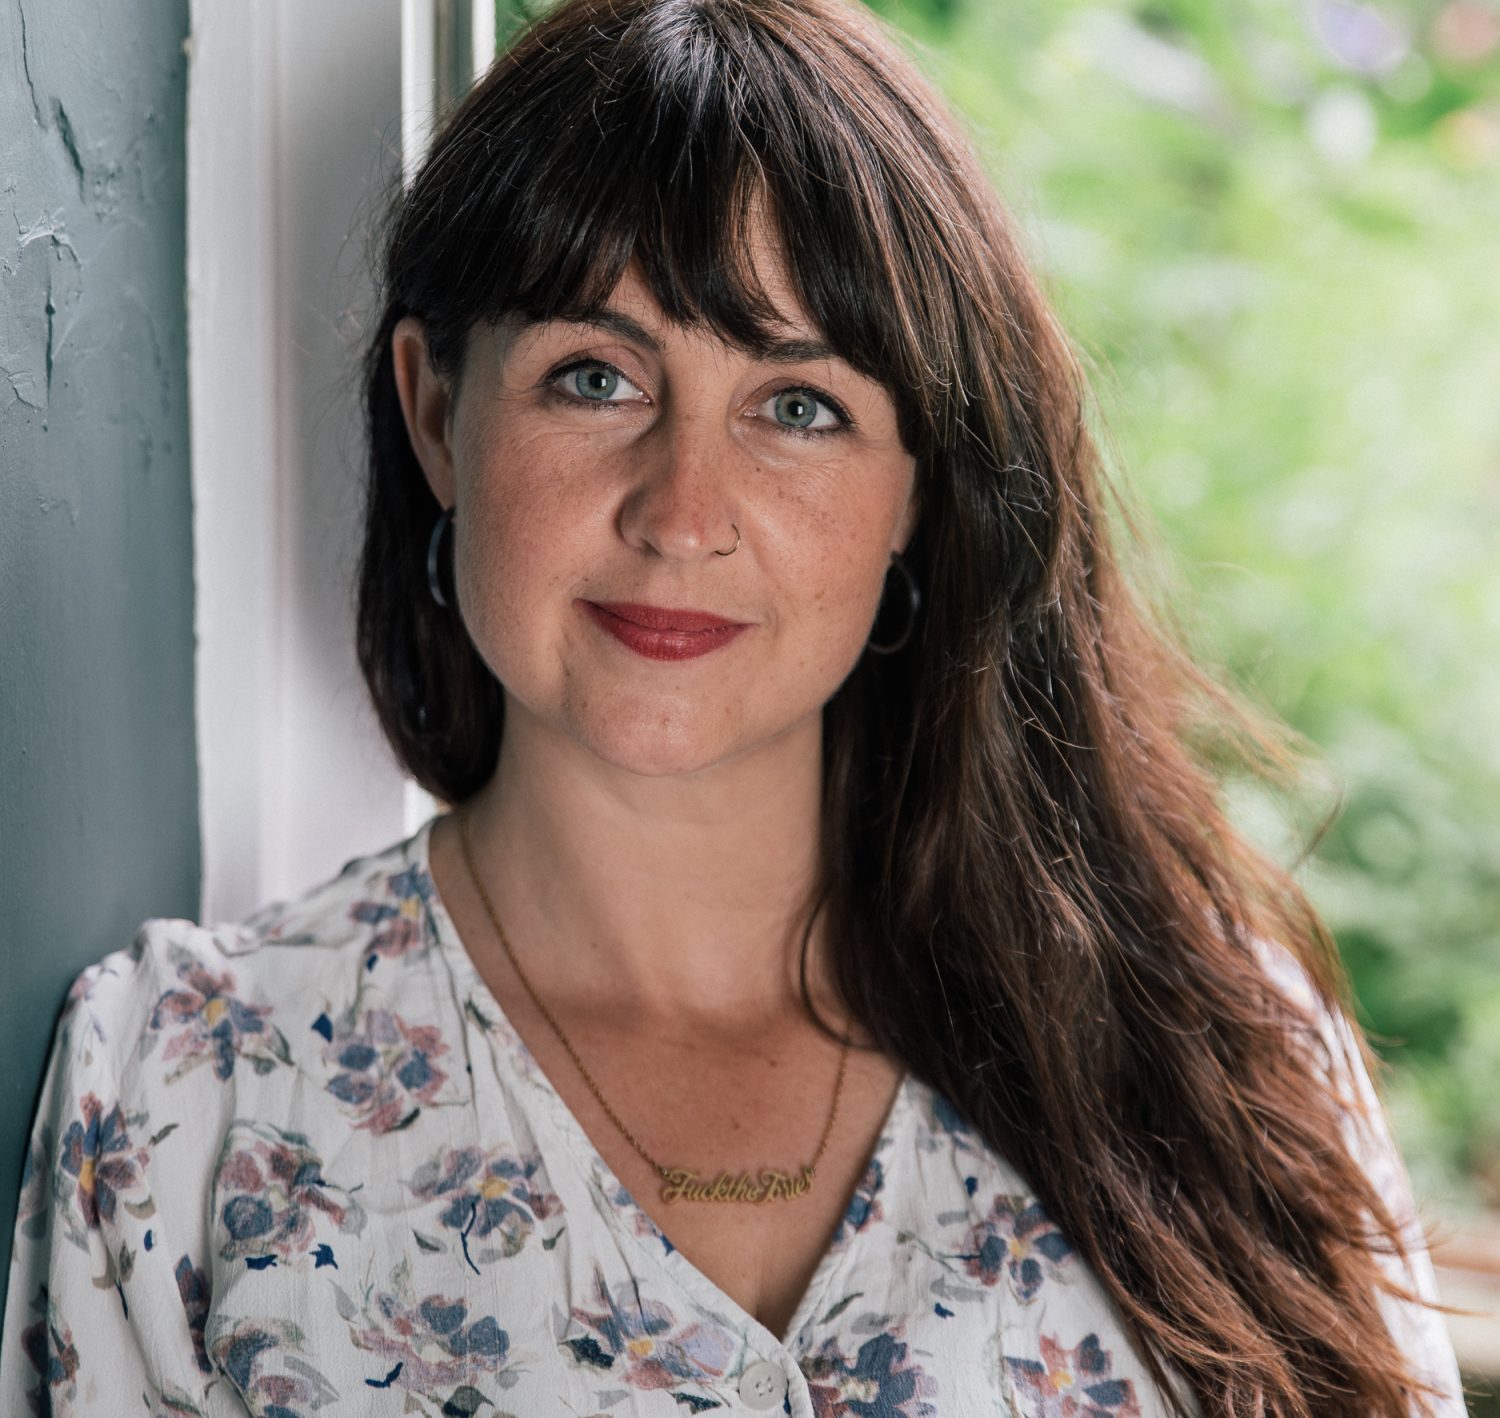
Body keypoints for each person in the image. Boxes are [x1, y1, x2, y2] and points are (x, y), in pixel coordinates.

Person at [0, 0, 1469, 1412]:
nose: (682, 510)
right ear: (437, 412)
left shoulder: (1218, 1049)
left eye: (799, 407)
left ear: (916, 493)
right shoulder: (188, 1099)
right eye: (596, 377)